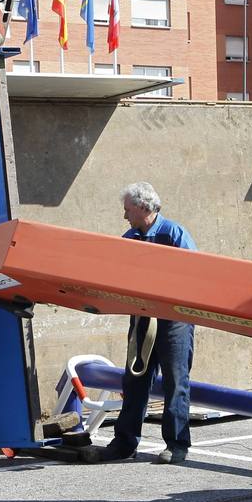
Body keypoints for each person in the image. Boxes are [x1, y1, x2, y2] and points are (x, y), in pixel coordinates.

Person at [99, 182, 197, 465]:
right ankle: (124, 443)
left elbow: (196, 274)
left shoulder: (174, 234)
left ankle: (177, 444)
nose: (125, 216)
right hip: (142, 319)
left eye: (128, 210)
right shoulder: (128, 239)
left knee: (176, 381)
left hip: (175, 320)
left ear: (143, 208)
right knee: (134, 380)